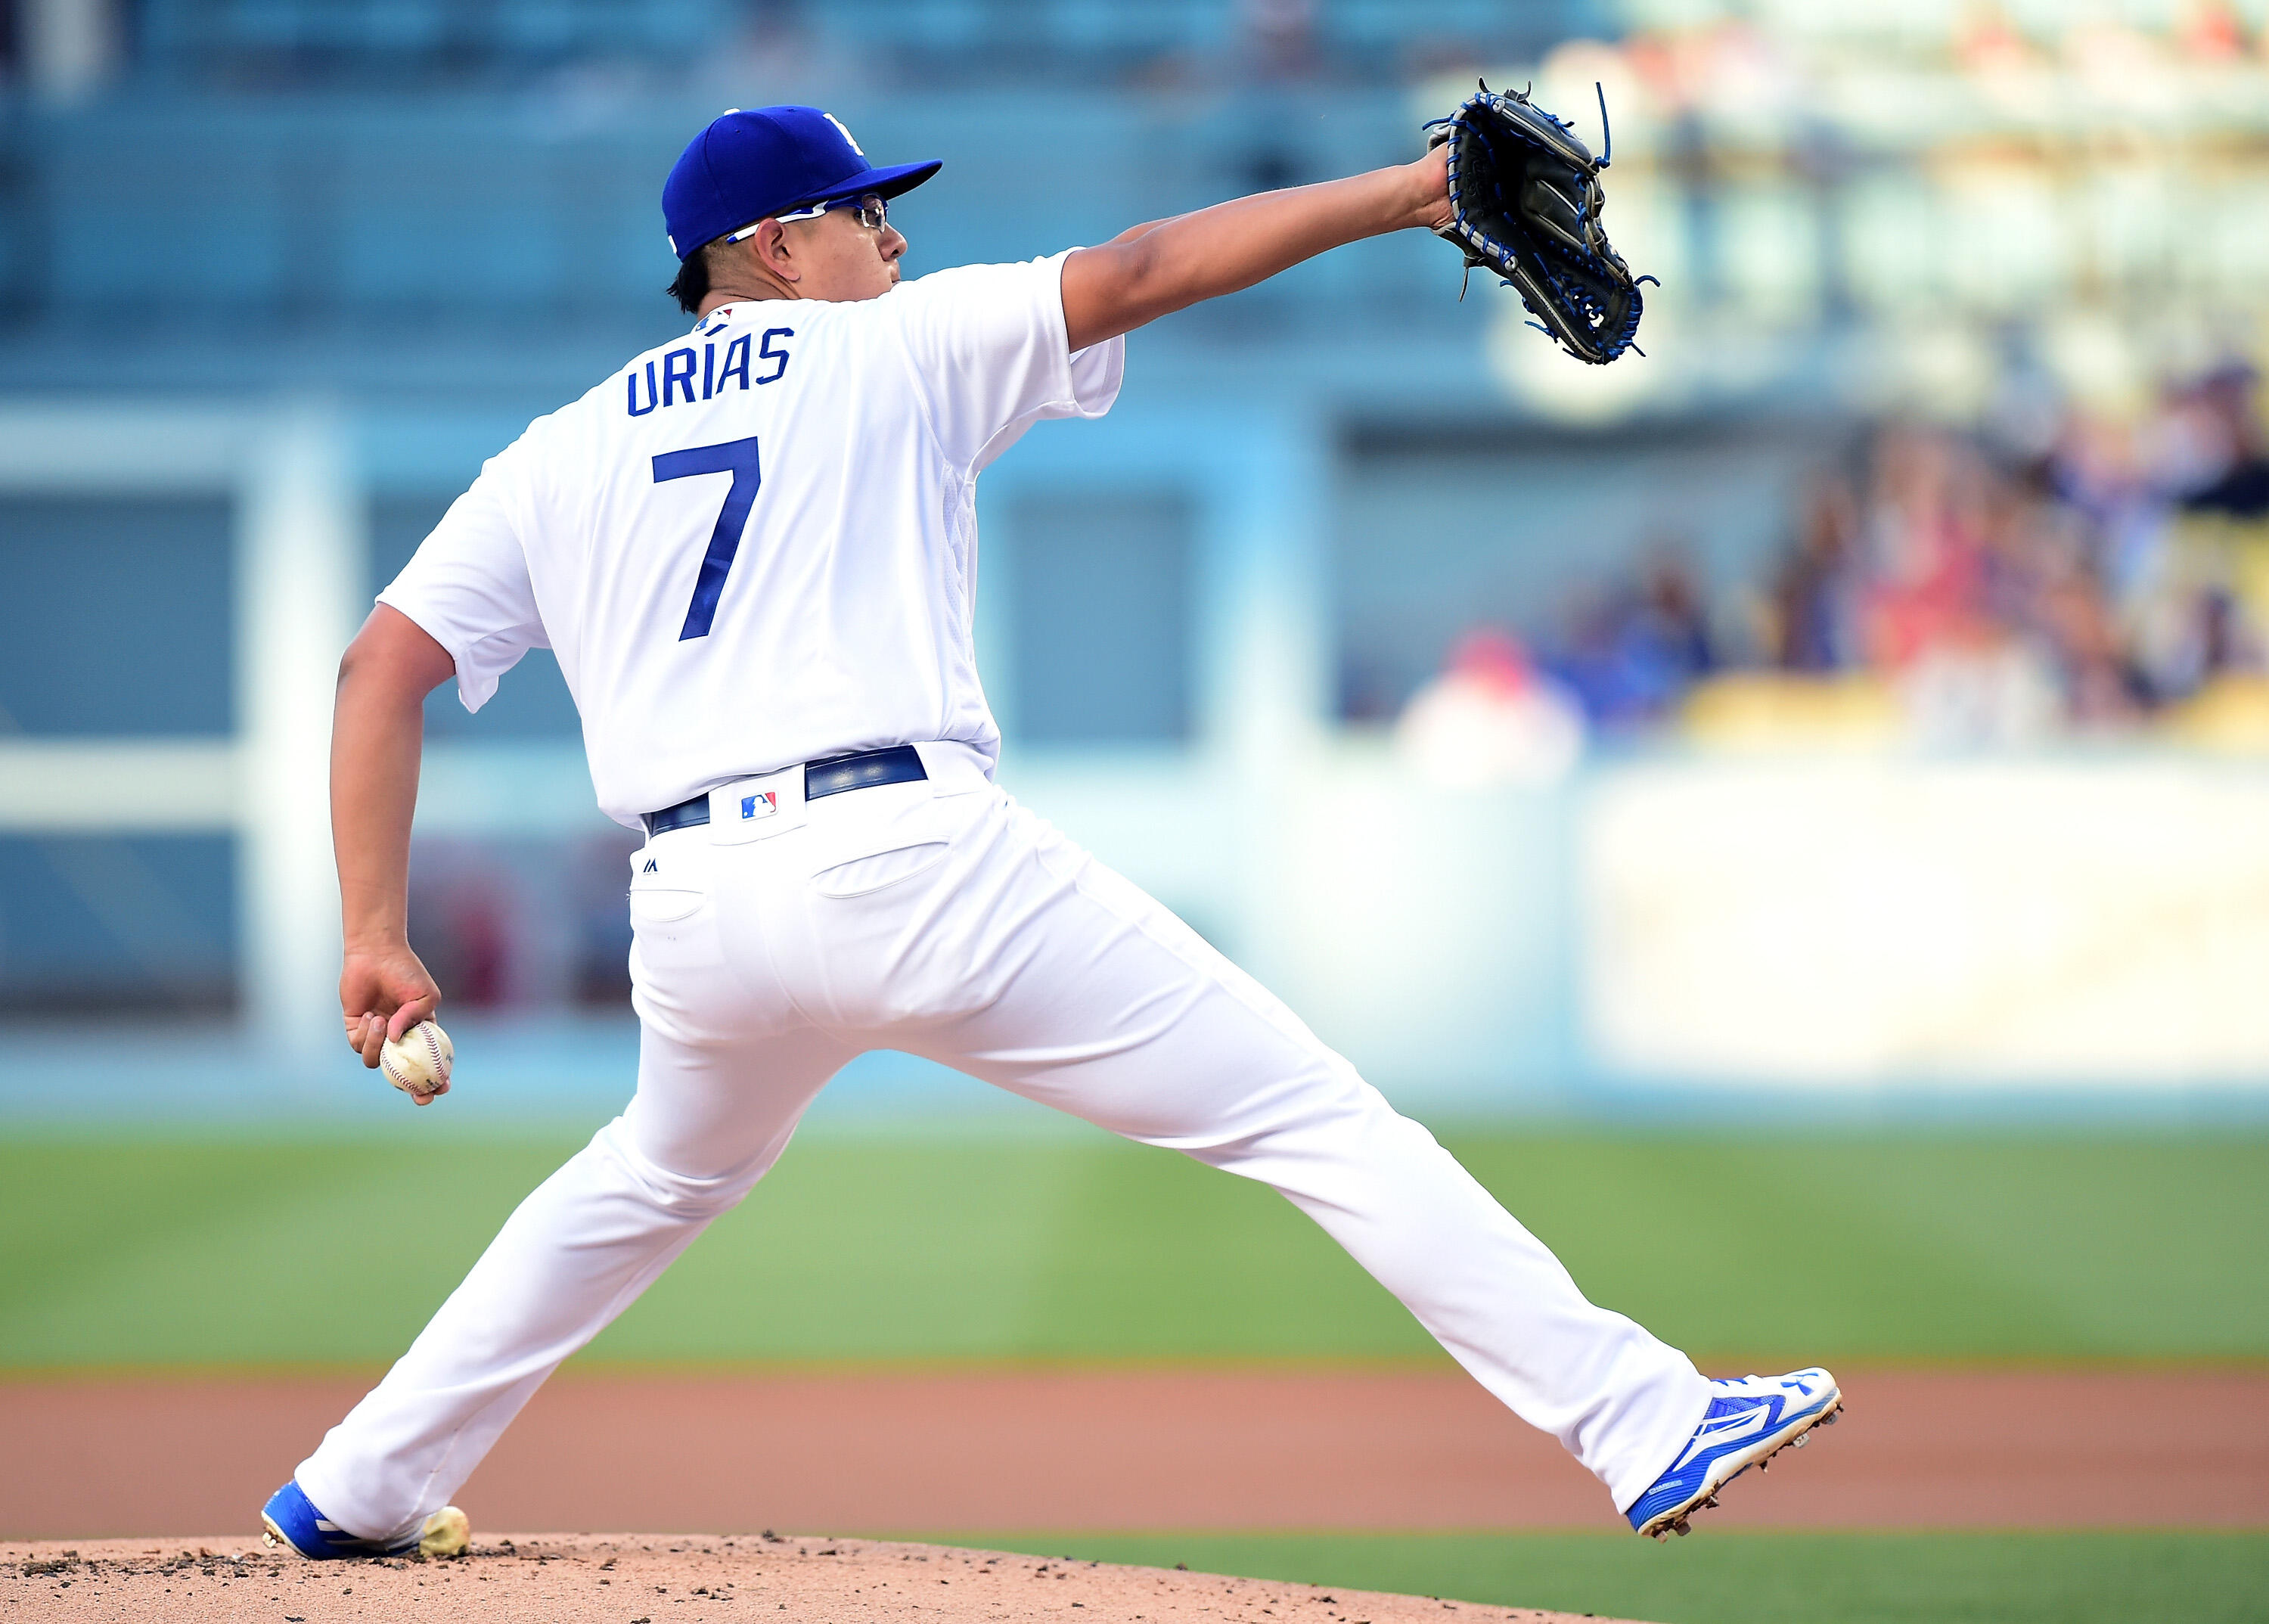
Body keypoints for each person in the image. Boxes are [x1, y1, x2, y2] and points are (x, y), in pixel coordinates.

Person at [259, 104, 1838, 1559]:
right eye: (860, 210)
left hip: (693, 908)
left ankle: (360, 1484)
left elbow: (375, 669)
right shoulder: (888, 347)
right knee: (1311, 1118)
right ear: (770, 250)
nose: (892, 236)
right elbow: (1147, 267)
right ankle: (1643, 1422)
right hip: (910, 856)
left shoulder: (558, 450)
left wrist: (374, 932)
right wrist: (1416, 189)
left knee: (648, 1181)